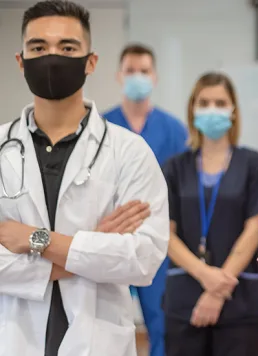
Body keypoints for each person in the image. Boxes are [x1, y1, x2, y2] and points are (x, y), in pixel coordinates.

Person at [0, 1, 169, 355]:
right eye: (38, 47)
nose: (52, 57)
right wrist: (92, 247)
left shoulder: (129, 152)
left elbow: (143, 259)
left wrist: (34, 239)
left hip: (100, 340)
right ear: (21, 61)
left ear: (90, 61)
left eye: (67, 47)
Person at [162, 72, 258, 356]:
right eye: (204, 102)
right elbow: (165, 233)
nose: (212, 109)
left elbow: (253, 231)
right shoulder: (175, 167)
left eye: (220, 102)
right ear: (192, 109)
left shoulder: (253, 163)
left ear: (233, 110)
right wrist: (206, 276)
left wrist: (216, 290)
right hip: (185, 300)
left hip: (237, 300)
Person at [102, 42, 188, 356]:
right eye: (131, 71)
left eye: (144, 71)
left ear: (155, 77)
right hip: (109, 241)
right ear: (118, 76)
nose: (137, 76)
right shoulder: (100, 127)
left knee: (161, 324)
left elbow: (182, 191)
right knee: (106, 322)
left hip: (157, 242)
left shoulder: (175, 130)